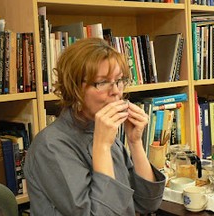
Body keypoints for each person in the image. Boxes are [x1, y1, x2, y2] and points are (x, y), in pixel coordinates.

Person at [24, 38, 166, 215]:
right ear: (74, 88)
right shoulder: (50, 146)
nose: (115, 91)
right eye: (102, 82)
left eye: (119, 80)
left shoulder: (103, 132)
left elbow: (147, 203)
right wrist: (102, 147)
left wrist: (135, 142)